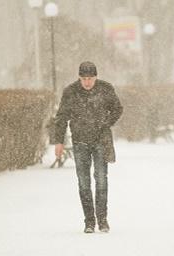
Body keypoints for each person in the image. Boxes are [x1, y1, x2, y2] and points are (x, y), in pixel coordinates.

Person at [52, 61, 123, 233]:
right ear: (79, 78)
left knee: (101, 181)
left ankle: (103, 220)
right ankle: (89, 221)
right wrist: (59, 141)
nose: (87, 82)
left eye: (90, 78)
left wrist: (105, 123)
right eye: (84, 79)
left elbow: (117, 109)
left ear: (96, 77)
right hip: (80, 142)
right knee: (84, 183)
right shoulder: (70, 92)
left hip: (101, 140)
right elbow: (61, 117)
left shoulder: (106, 89)